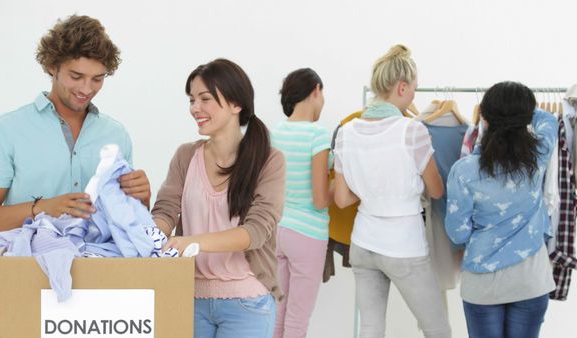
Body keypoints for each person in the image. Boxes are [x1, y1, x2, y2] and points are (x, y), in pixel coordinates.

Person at [0, 15, 150, 338]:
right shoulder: (8, 130)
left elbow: (129, 225)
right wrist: (41, 208)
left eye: (98, 79)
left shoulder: (116, 134)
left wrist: (141, 196)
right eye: (76, 76)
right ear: (52, 66)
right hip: (25, 295)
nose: (86, 89)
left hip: (99, 306)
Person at [151, 58, 285, 338]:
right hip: (190, 298)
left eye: (205, 99)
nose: (195, 108)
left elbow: (256, 231)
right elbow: (165, 210)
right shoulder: (186, 156)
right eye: (191, 100)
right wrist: (151, 236)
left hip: (247, 303)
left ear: (236, 105)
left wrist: (192, 243)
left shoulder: (269, 161)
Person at [333, 44, 451, 338]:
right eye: (413, 89)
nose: (413, 96)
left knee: (370, 329)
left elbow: (342, 198)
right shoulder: (412, 131)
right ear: (401, 87)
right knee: (437, 328)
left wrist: (372, 184)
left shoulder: (347, 132)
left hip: (363, 243)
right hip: (404, 245)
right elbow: (436, 191)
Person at [445, 81, 558, 338]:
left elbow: (458, 234)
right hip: (531, 280)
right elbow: (549, 120)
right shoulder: (538, 154)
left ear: (483, 116)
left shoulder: (463, 171)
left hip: (483, 284)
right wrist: (521, 111)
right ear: (526, 117)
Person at [270, 68, 332, 338]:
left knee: (276, 316)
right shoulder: (317, 135)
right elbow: (319, 200)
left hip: (276, 232)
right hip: (307, 234)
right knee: (298, 321)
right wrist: (338, 187)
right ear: (316, 90)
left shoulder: (274, 134)